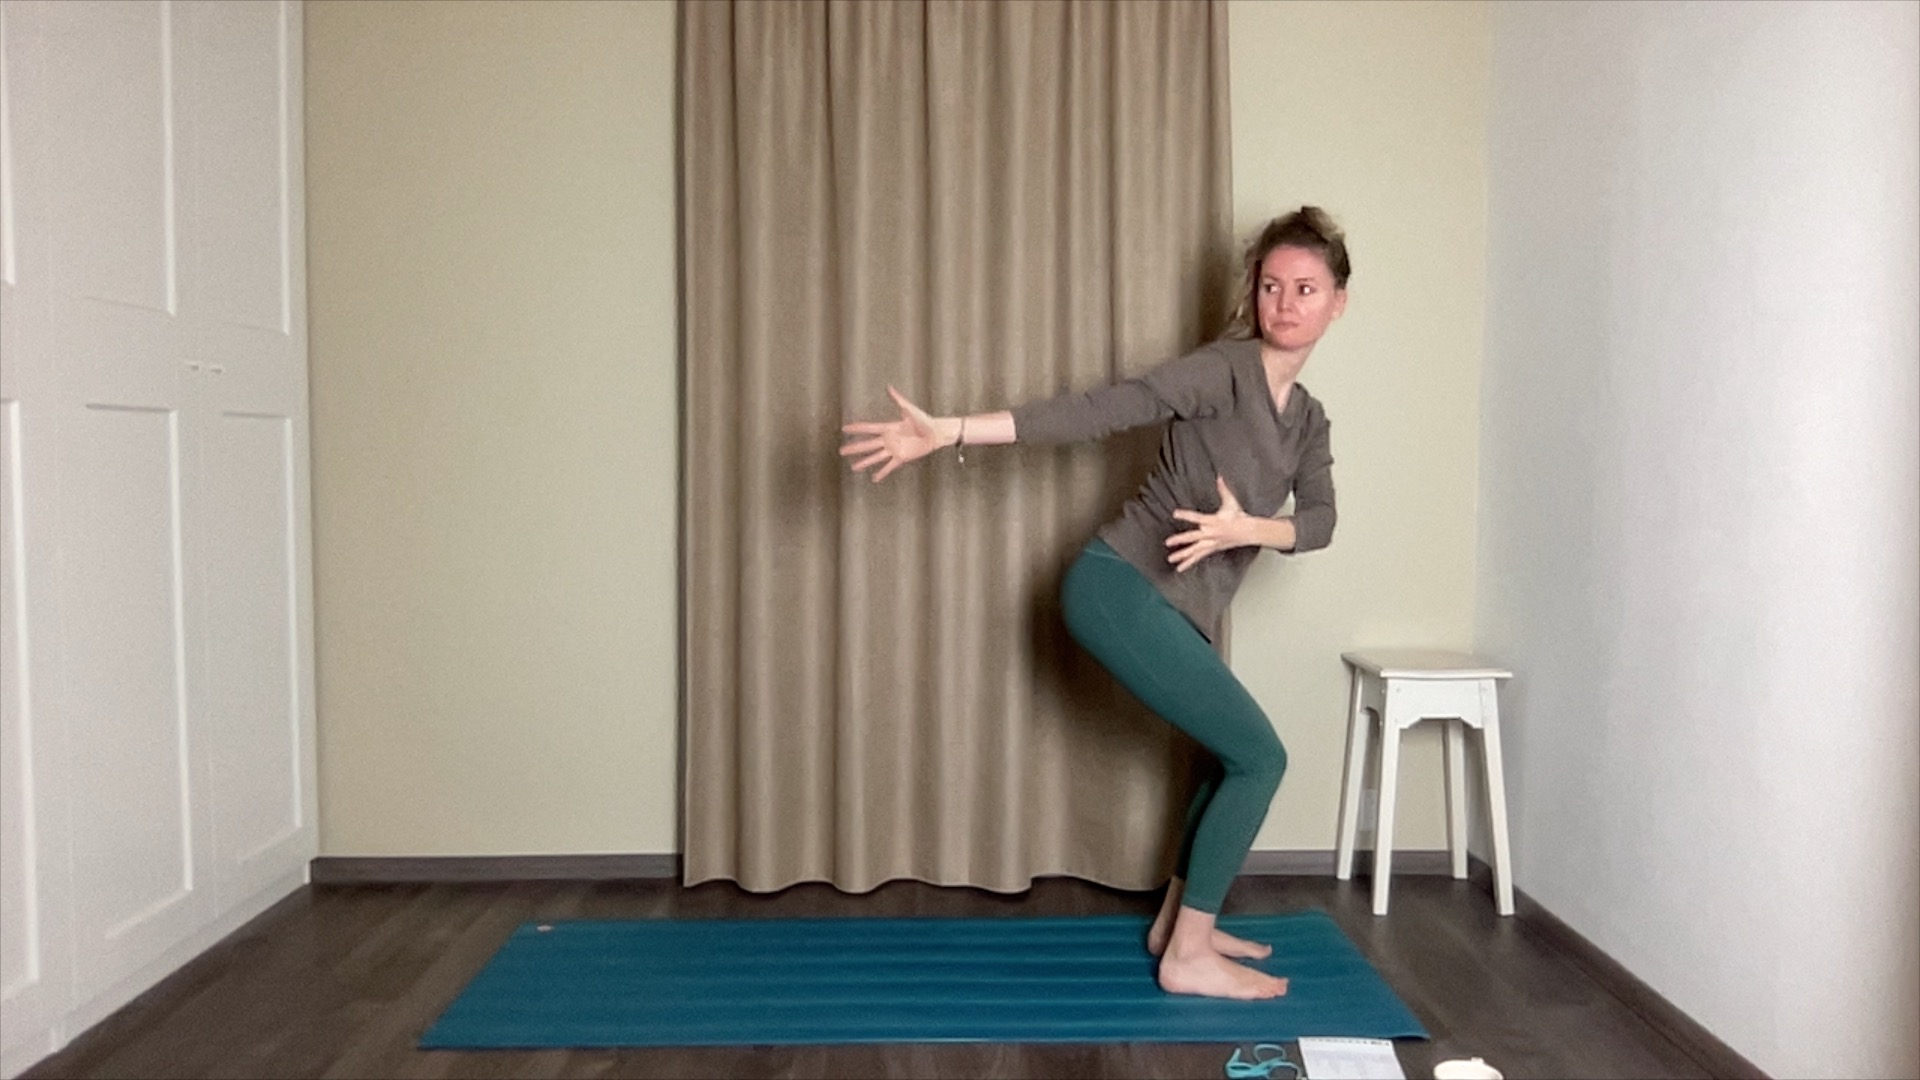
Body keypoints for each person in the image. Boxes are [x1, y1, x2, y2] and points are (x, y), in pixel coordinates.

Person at [838, 207, 1349, 1001]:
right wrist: (952, 432)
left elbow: (1320, 521)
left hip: (1173, 608)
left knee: (1226, 757)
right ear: (1254, 292)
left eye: (1305, 288)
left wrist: (1249, 528)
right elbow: (1101, 408)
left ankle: (1180, 926)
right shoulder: (1222, 371)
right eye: (1271, 285)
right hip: (1120, 587)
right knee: (1260, 758)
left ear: (1337, 303)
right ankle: (1188, 957)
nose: (1284, 302)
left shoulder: (1308, 420)